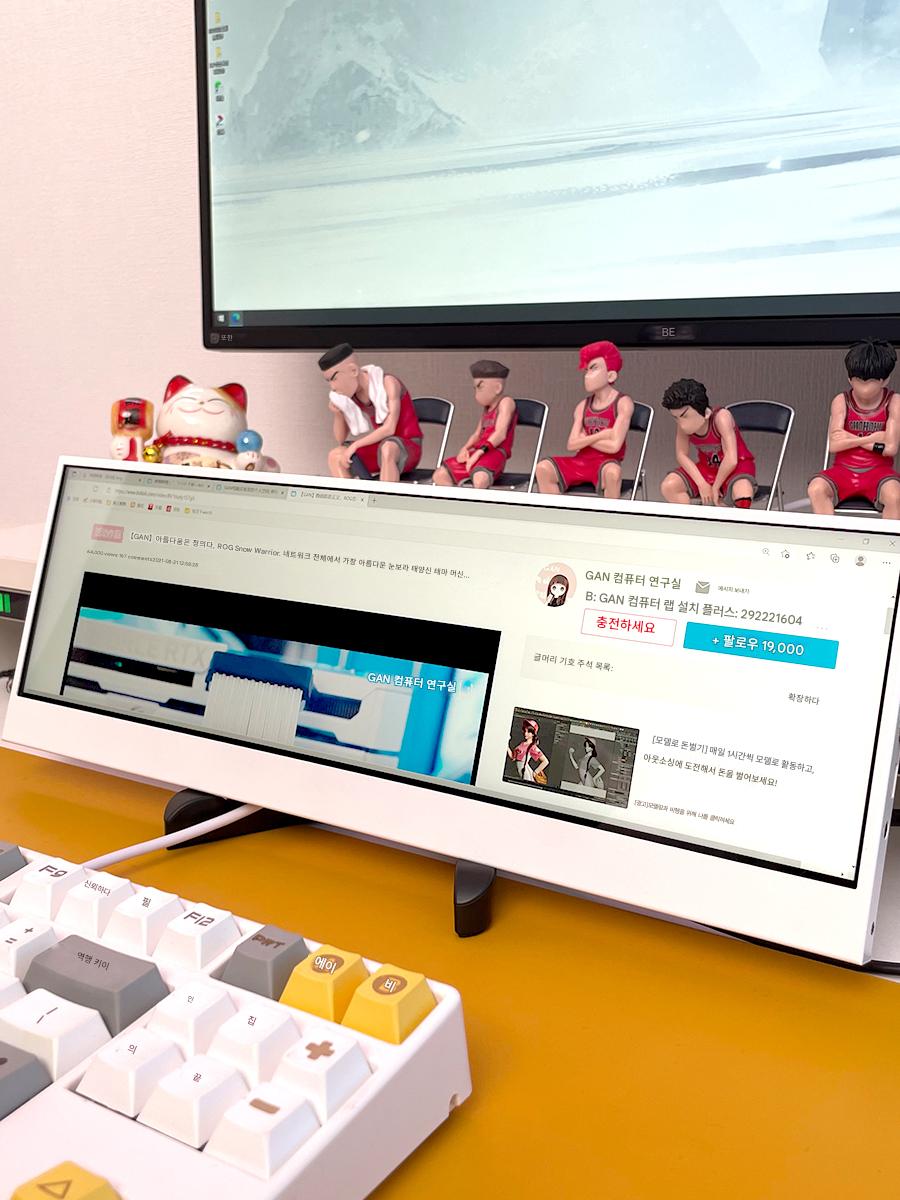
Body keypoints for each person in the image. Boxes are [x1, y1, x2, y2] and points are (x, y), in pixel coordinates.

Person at [807, 339, 900, 518]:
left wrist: (848, 438)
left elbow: (890, 448)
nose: (864, 387)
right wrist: (872, 439)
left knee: (895, 495)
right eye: (859, 380)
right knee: (816, 488)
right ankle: (830, 535)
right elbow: (834, 445)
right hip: (843, 470)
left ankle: (887, 537)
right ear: (850, 379)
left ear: (885, 380)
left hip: (879, 472)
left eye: (871, 381)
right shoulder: (841, 400)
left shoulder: (893, 402)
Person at [534, 340, 634, 498]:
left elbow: (614, 446)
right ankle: (557, 513)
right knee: (543, 468)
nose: (587, 375)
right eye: (586, 370)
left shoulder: (623, 403)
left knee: (613, 473)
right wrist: (603, 435)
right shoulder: (583, 405)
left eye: (594, 368)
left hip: (606, 464)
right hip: (581, 461)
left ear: (611, 375)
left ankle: (609, 514)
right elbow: (571, 444)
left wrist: (585, 439)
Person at [319, 343, 423, 482]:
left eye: (334, 378)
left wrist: (356, 445)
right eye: (329, 381)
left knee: (388, 448)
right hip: (380, 447)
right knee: (336, 455)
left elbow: (390, 429)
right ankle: (354, 496)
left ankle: (384, 495)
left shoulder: (388, 383)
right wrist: (338, 414)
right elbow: (340, 439)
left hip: (407, 448)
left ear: (353, 371)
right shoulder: (351, 395)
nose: (333, 387)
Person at [660, 378, 756, 507]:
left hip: (736, 468)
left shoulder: (721, 418)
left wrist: (716, 486)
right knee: (669, 486)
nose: (681, 424)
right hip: (707, 468)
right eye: (676, 418)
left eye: (684, 416)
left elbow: (731, 459)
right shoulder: (683, 426)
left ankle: (732, 518)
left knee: (743, 493)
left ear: (705, 413)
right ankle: (689, 518)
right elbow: (681, 454)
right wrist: (701, 484)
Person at [432, 360, 517, 488]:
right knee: (440, 475)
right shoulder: (487, 408)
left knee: (480, 479)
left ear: (497, 388)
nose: (477, 393)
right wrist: (465, 448)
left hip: (495, 453)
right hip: (478, 452)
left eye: (480, 387)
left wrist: (479, 452)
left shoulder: (506, 402)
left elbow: (500, 434)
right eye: (475, 388)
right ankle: (458, 499)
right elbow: (477, 434)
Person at [507, 718, 549, 784]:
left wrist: (535, 772)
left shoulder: (532, 747)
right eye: (525, 731)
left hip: (526, 774)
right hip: (520, 773)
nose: (525, 733)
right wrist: (506, 745)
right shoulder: (522, 744)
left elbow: (545, 761)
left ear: (533, 734)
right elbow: (513, 757)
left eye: (528, 732)